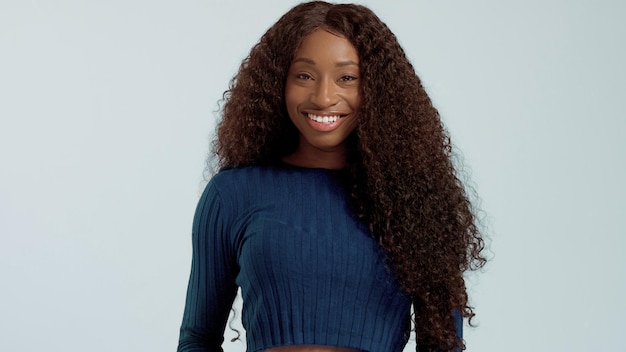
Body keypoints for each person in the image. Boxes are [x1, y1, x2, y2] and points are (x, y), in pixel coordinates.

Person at [177, 1, 486, 352]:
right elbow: (197, 340)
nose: (324, 97)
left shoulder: (416, 201)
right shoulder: (232, 195)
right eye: (304, 75)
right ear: (280, 81)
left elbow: (444, 346)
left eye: (347, 78)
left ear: (377, 88)